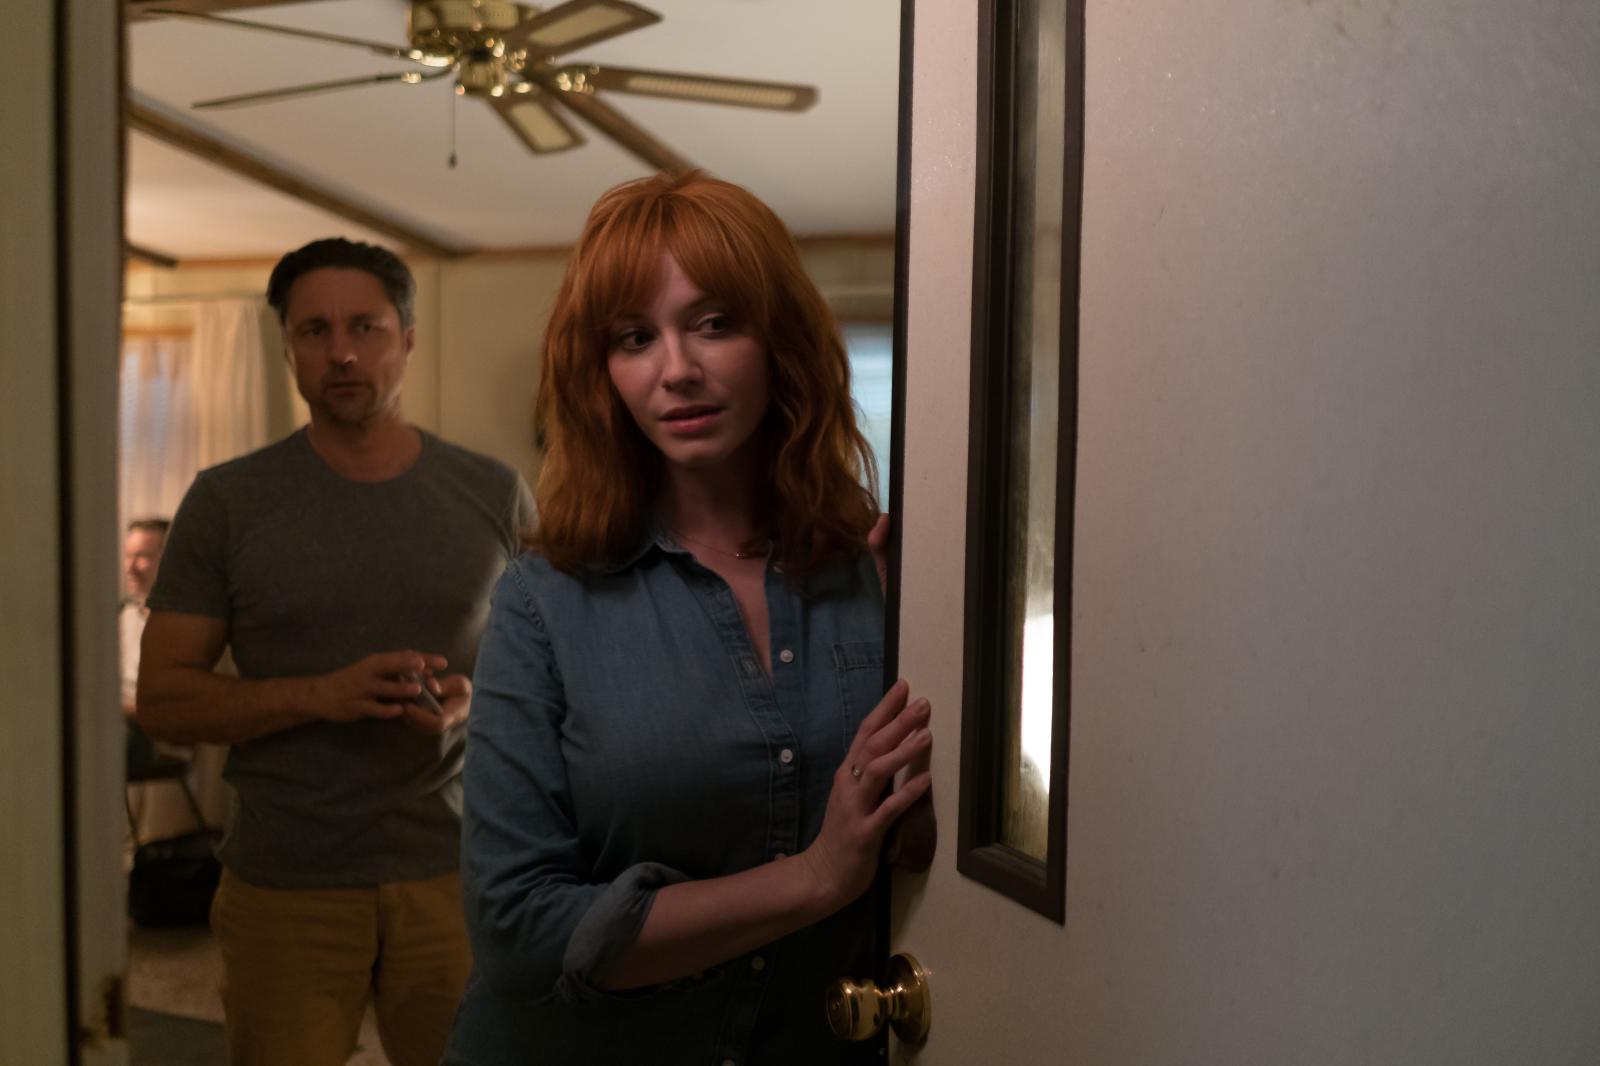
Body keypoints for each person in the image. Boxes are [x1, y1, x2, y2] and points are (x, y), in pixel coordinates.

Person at [443, 171, 933, 1065]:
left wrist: (935, 638)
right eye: (636, 338)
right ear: (602, 373)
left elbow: (937, 843)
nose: (676, 370)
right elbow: (519, 930)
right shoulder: (544, 600)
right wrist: (813, 878)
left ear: (780, 340)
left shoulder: (875, 572)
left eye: (714, 324)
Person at [136, 237, 535, 1066]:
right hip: (287, 880)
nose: (342, 351)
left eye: (365, 327)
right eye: (314, 331)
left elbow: (551, 678)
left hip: (454, 869)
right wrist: (319, 694)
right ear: (287, 348)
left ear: (407, 339)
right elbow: (166, 698)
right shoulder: (227, 502)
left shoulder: (492, 492)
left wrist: (476, 700)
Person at [122, 517, 170, 774]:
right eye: (127, 556)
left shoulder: (181, 626)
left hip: (145, 734)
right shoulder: (121, 616)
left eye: (141, 556)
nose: (130, 567)